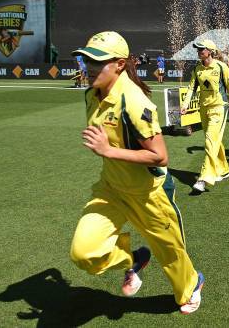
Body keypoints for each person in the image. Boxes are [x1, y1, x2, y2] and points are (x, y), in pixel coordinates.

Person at [69, 31, 204, 315]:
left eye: (97, 62)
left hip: (148, 194)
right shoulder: (90, 94)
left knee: (172, 254)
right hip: (111, 189)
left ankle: (192, 284)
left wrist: (109, 151)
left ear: (119, 64)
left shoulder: (134, 102)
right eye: (86, 61)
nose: (89, 67)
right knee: (84, 253)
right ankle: (133, 257)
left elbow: (160, 156)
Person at [180, 39, 229, 192]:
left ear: (210, 51)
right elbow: (191, 88)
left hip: (219, 108)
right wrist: (185, 104)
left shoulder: (221, 67)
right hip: (204, 109)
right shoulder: (197, 69)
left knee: (210, 142)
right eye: (198, 49)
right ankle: (224, 169)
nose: (199, 51)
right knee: (214, 141)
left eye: (202, 48)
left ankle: (204, 178)